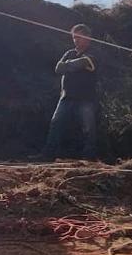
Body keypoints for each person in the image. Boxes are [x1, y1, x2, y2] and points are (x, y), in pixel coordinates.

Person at [39, 24, 100, 161]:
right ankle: (48, 154)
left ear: (88, 38)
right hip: (66, 97)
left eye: (79, 37)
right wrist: (73, 65)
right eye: (74, 37)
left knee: (88, 128)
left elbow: (83, 62)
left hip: (86, 98)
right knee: (56, 124)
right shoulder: (69, 53)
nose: (76, 40)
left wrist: (68, 65)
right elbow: (58, 68)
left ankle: (88, 158)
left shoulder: (94, 53)